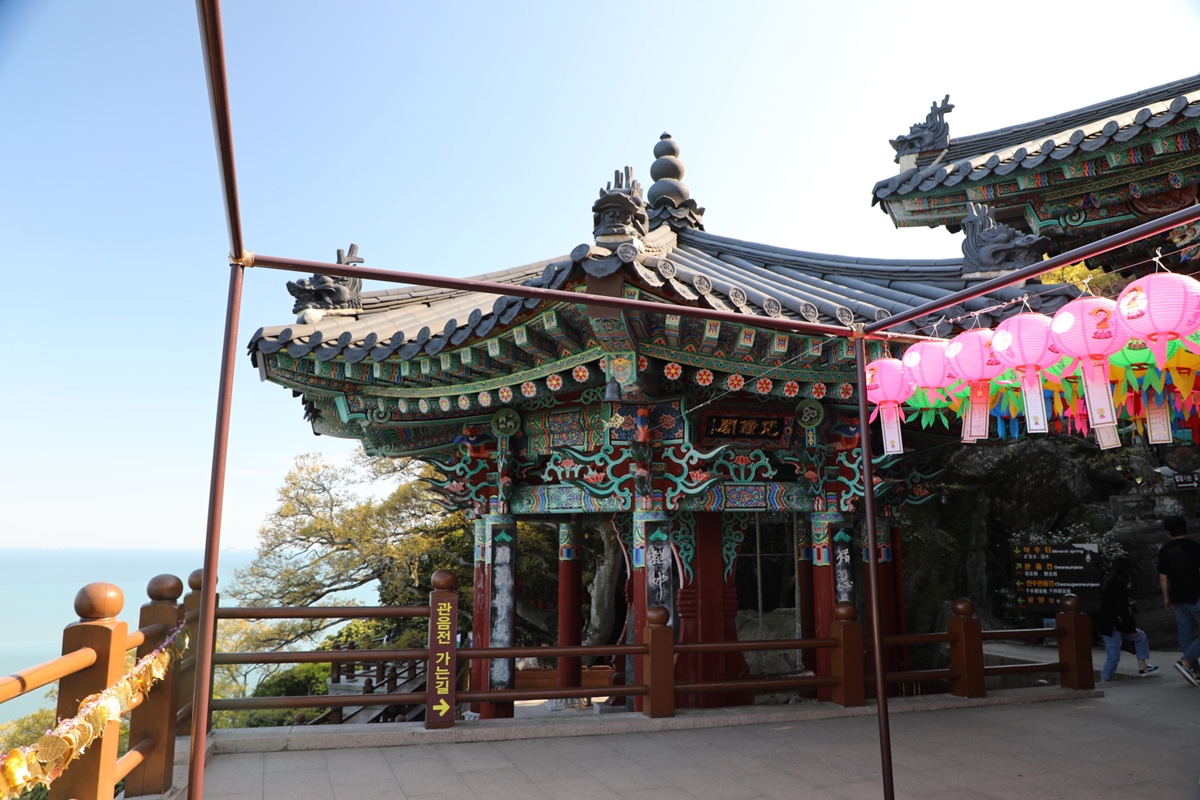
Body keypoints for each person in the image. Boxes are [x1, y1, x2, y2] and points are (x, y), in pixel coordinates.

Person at [1098, 555, 1158, 681]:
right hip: (1113, 625)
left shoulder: (1110, 582)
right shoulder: (1117, 584)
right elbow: (1121, 608)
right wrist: (1130, 628)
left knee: (1140, 637)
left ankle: (1143, 666)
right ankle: (1104, 680)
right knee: (1113, 656)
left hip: (1114, 624)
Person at [1158, 516, 1200, 684]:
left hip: (1176, 597)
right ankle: (1186, 662)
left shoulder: (1164, 550)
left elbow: (1163, 577)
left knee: (1185, 635)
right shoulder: (1195, 547)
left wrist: (1166, 597)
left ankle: (1197, 672)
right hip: (1196, 596)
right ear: (1186, 528)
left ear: (1168, 531)